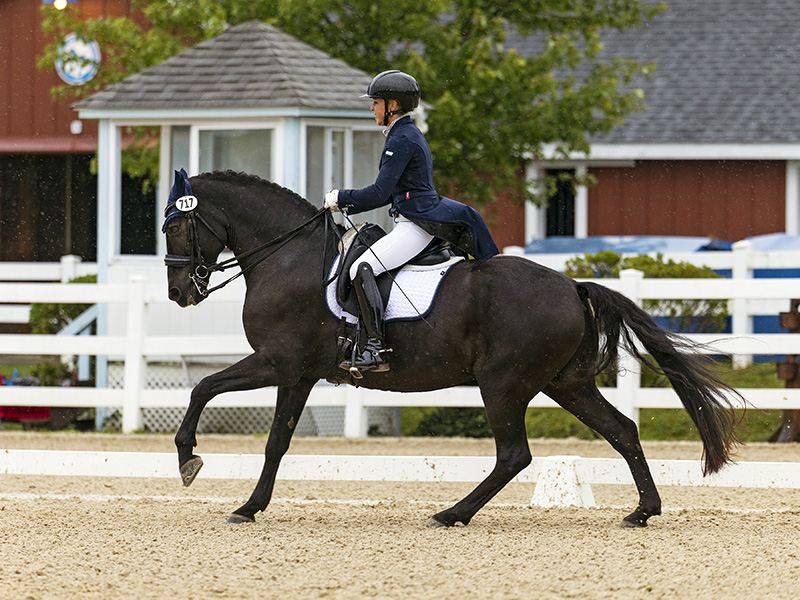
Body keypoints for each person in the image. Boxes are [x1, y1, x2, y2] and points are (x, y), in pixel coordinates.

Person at [325, 70, 499, 374]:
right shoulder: (402, 134)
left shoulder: (402, 138)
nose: (371, 108)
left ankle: (376, 347)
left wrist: (341, 196)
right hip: (411, 218)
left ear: (392, 105)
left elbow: (380, 192)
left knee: (360, 267)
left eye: (376, 102)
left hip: (416, 224)